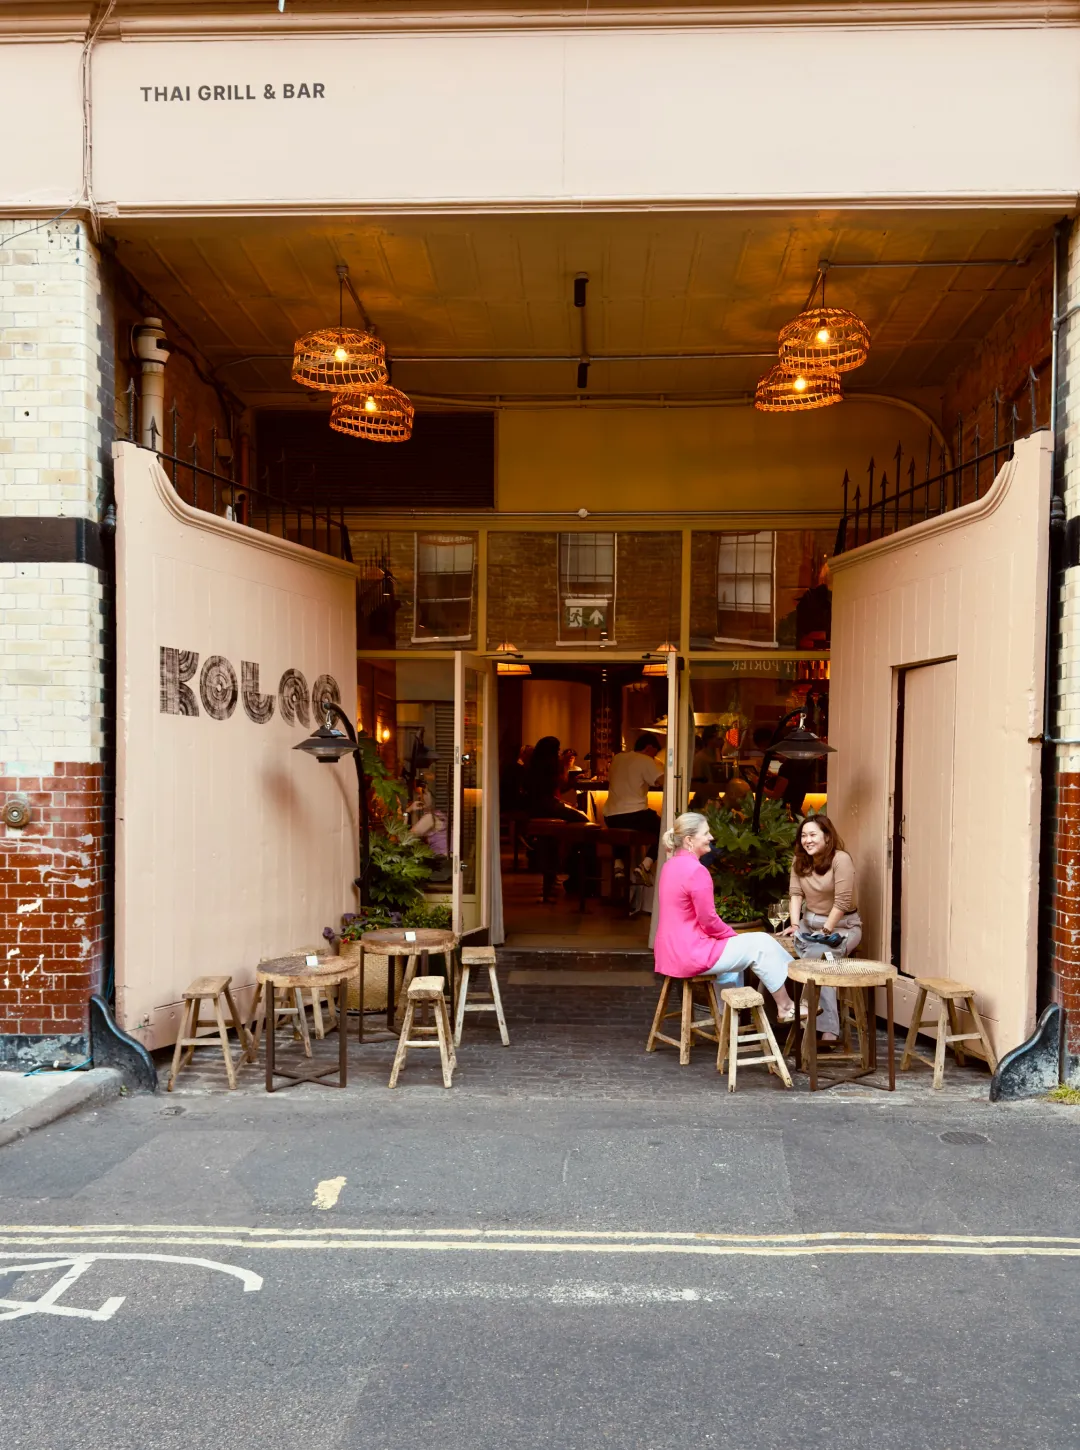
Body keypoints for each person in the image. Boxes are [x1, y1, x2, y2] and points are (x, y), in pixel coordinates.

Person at [654, 811, 796, 1019]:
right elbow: (708, 920)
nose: (711, 837)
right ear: (689, 840)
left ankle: (728, 1020)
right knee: (761, 943)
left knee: (737, 959)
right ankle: (784, 1006)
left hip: (670, 952)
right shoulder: (696, 870)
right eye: (706, 833)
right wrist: (732, 935)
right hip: (691, 953)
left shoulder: (669, 866)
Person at [781, 814, 862, 1043]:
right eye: (804, 835)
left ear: (827, 837)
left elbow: (842, 902)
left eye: (813, 834)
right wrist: (795, 925)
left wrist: (825, 932)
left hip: (842, 926)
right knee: (785, 953)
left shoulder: (841, 859)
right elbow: (796, 894)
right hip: (808, 924)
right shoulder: (799, 861)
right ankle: (801, 1016)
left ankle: (815, 1020)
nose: (807, 840)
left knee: (820, 957)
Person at [605, 733, 663, 879]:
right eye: (654, 753)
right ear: (649, 748)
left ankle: (619, 865)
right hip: (634, 816)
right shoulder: (645, 760)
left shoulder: (618, 757)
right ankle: (645, 866)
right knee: (666, 830)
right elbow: (663, 781)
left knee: (619, 830)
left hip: (610, 817)